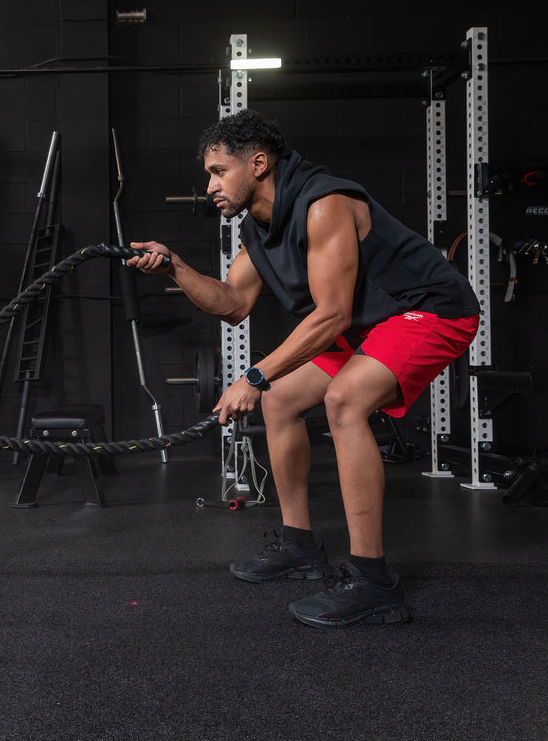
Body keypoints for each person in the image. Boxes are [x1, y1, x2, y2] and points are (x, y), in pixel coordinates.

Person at [126, 108, 479, 629]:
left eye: (219, 172)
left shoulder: (323, 204)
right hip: (369, 325)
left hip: (429, 309)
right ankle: (299, 547)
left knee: (344, 400)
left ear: (259, 164)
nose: (210, 186)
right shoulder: (258, 228)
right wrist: (175, 265)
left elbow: (332, 314)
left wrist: (252, 374)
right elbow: (230, 302)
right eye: (209, 174)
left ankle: (374, 582)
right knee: (281, 398)